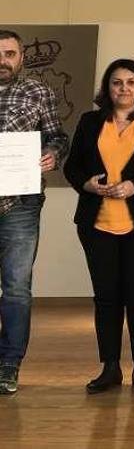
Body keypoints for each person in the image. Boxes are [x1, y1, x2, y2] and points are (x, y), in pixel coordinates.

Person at [64, 59, 134, 394]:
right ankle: (110, 368)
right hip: (96, 223)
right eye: (117, 82)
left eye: (131, 82)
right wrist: (87, 184)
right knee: (106, 297)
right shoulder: (88, 121)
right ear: (107, 88)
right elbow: (72, 167)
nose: (124, 88)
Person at [0, 29, 69, 395]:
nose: (3, 61)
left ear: (21, 57)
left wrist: (52, 155)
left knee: (15, 288)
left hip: (21, 205)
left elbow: (58, 136)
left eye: (9, 54)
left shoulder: (37, 90)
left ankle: (9, 364)